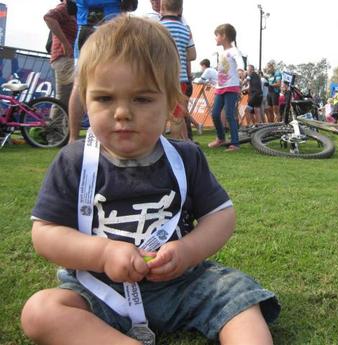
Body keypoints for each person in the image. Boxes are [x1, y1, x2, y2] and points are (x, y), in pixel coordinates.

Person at [20, 15, 279, 345]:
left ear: (171, 104)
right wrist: (102, 254)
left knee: (240, 301)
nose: (122, 113)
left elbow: (221, 216)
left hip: (183, 284)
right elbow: (45, 234)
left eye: (141, 99)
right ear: (85, 100)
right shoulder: (73, 161)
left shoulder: (186, 157)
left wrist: (186, 251)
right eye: (105, 99)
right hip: (100, 290)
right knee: (40, 311)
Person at [67, 0, 137, 143]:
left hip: (84, 29)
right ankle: (110, 131)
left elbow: (70, 8)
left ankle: (73, 137)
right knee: (115, 82)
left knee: (78, 85)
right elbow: (132, 5)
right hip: (112, 29)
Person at [160, 0, 196, 141]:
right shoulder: (185, 29)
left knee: (160, 116)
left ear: (162, 7)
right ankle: (175, 146)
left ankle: (158, 148)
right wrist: (179, 52)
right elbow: (192, 55)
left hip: (160, 79)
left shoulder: (157, 27)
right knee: (177, 117)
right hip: (180, 80)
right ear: (180, 8)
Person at [208, 23, 244, 152]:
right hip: (220, 87)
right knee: (215, 114)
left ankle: (235, 143)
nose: (215, 38)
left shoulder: (234, 50)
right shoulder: (222, 53)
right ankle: (221, 138)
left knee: (229, 115)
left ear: (224, 36)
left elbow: (240, 60)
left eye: (217, 35)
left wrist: (240, 69)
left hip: (231, 87)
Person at [43, 0, 77, 108]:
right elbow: (49, 17)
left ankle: (62, 124)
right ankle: (55, 124)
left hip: (68, 58)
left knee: (68, 97)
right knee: (63, 99)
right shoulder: (65, 6)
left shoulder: (75, 10)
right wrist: (65, 43)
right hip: (64, 57)